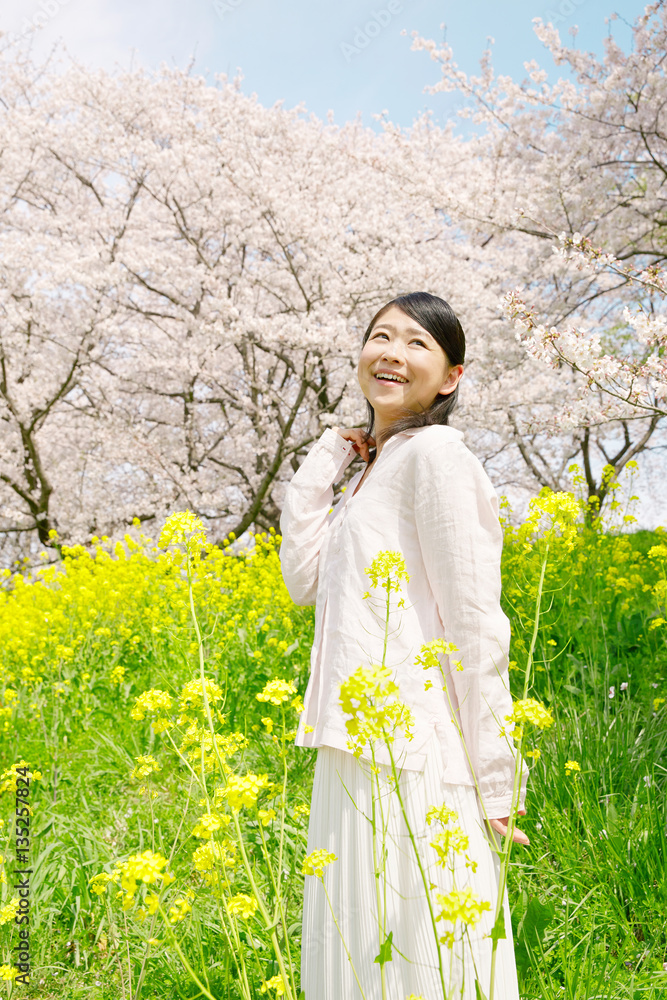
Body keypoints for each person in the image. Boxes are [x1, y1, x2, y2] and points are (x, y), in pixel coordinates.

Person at [279, 292, 530, 1000]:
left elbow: (475, 625)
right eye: (379, 337)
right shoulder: (369, 471)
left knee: (420, 957)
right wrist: (330, 455)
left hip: (413, 751)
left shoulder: (438, 460)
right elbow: (303, 581)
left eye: (416, 343)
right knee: (358, 953)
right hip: (352, 741)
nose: (390, 352)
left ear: (450, 376)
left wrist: (492, 778)